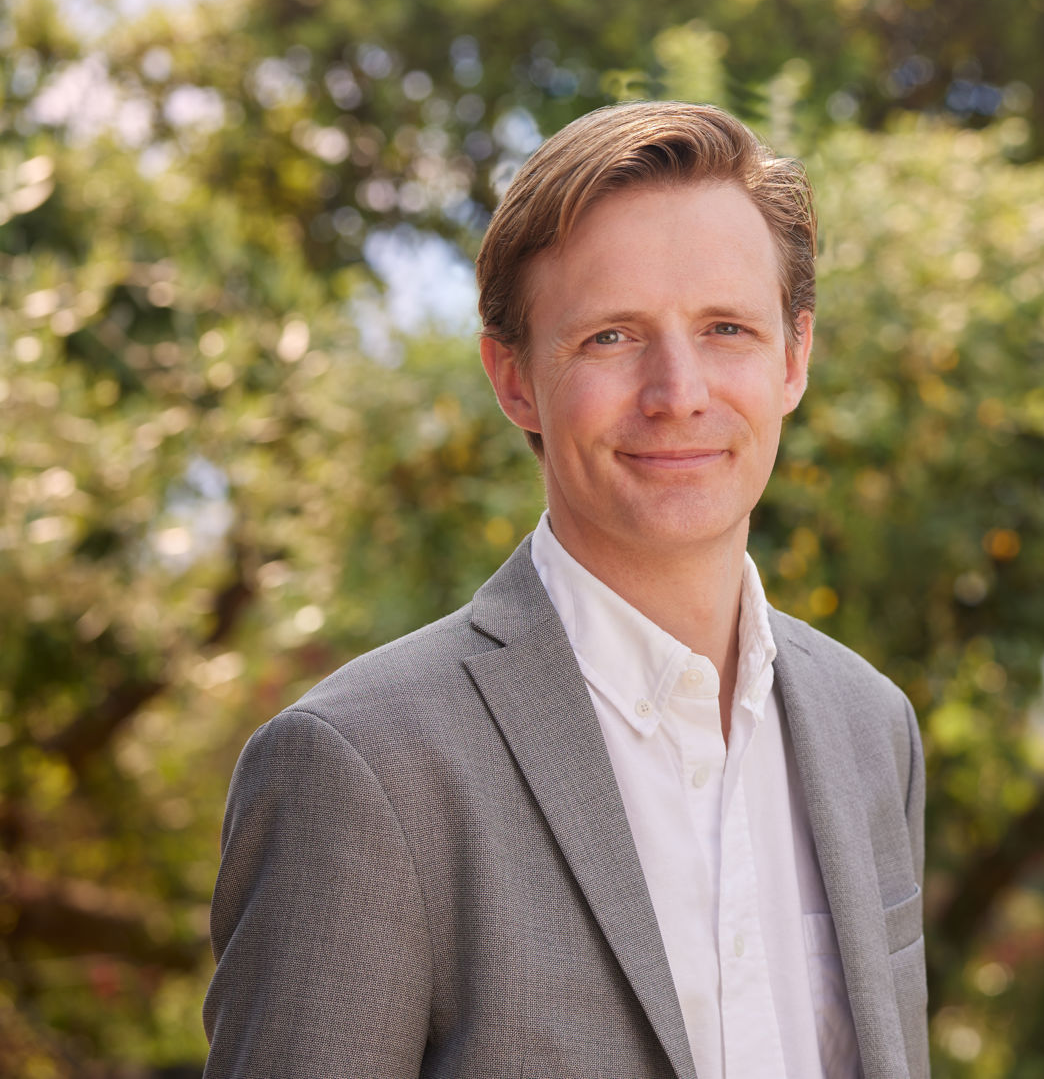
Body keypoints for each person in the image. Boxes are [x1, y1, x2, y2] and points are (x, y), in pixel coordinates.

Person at [202, 102, 928, 1079]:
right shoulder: (362, 768)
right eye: (611, 337)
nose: (678, 391)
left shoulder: (868, 727)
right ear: (512, 379)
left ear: (793, 356)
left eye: (725, 327)